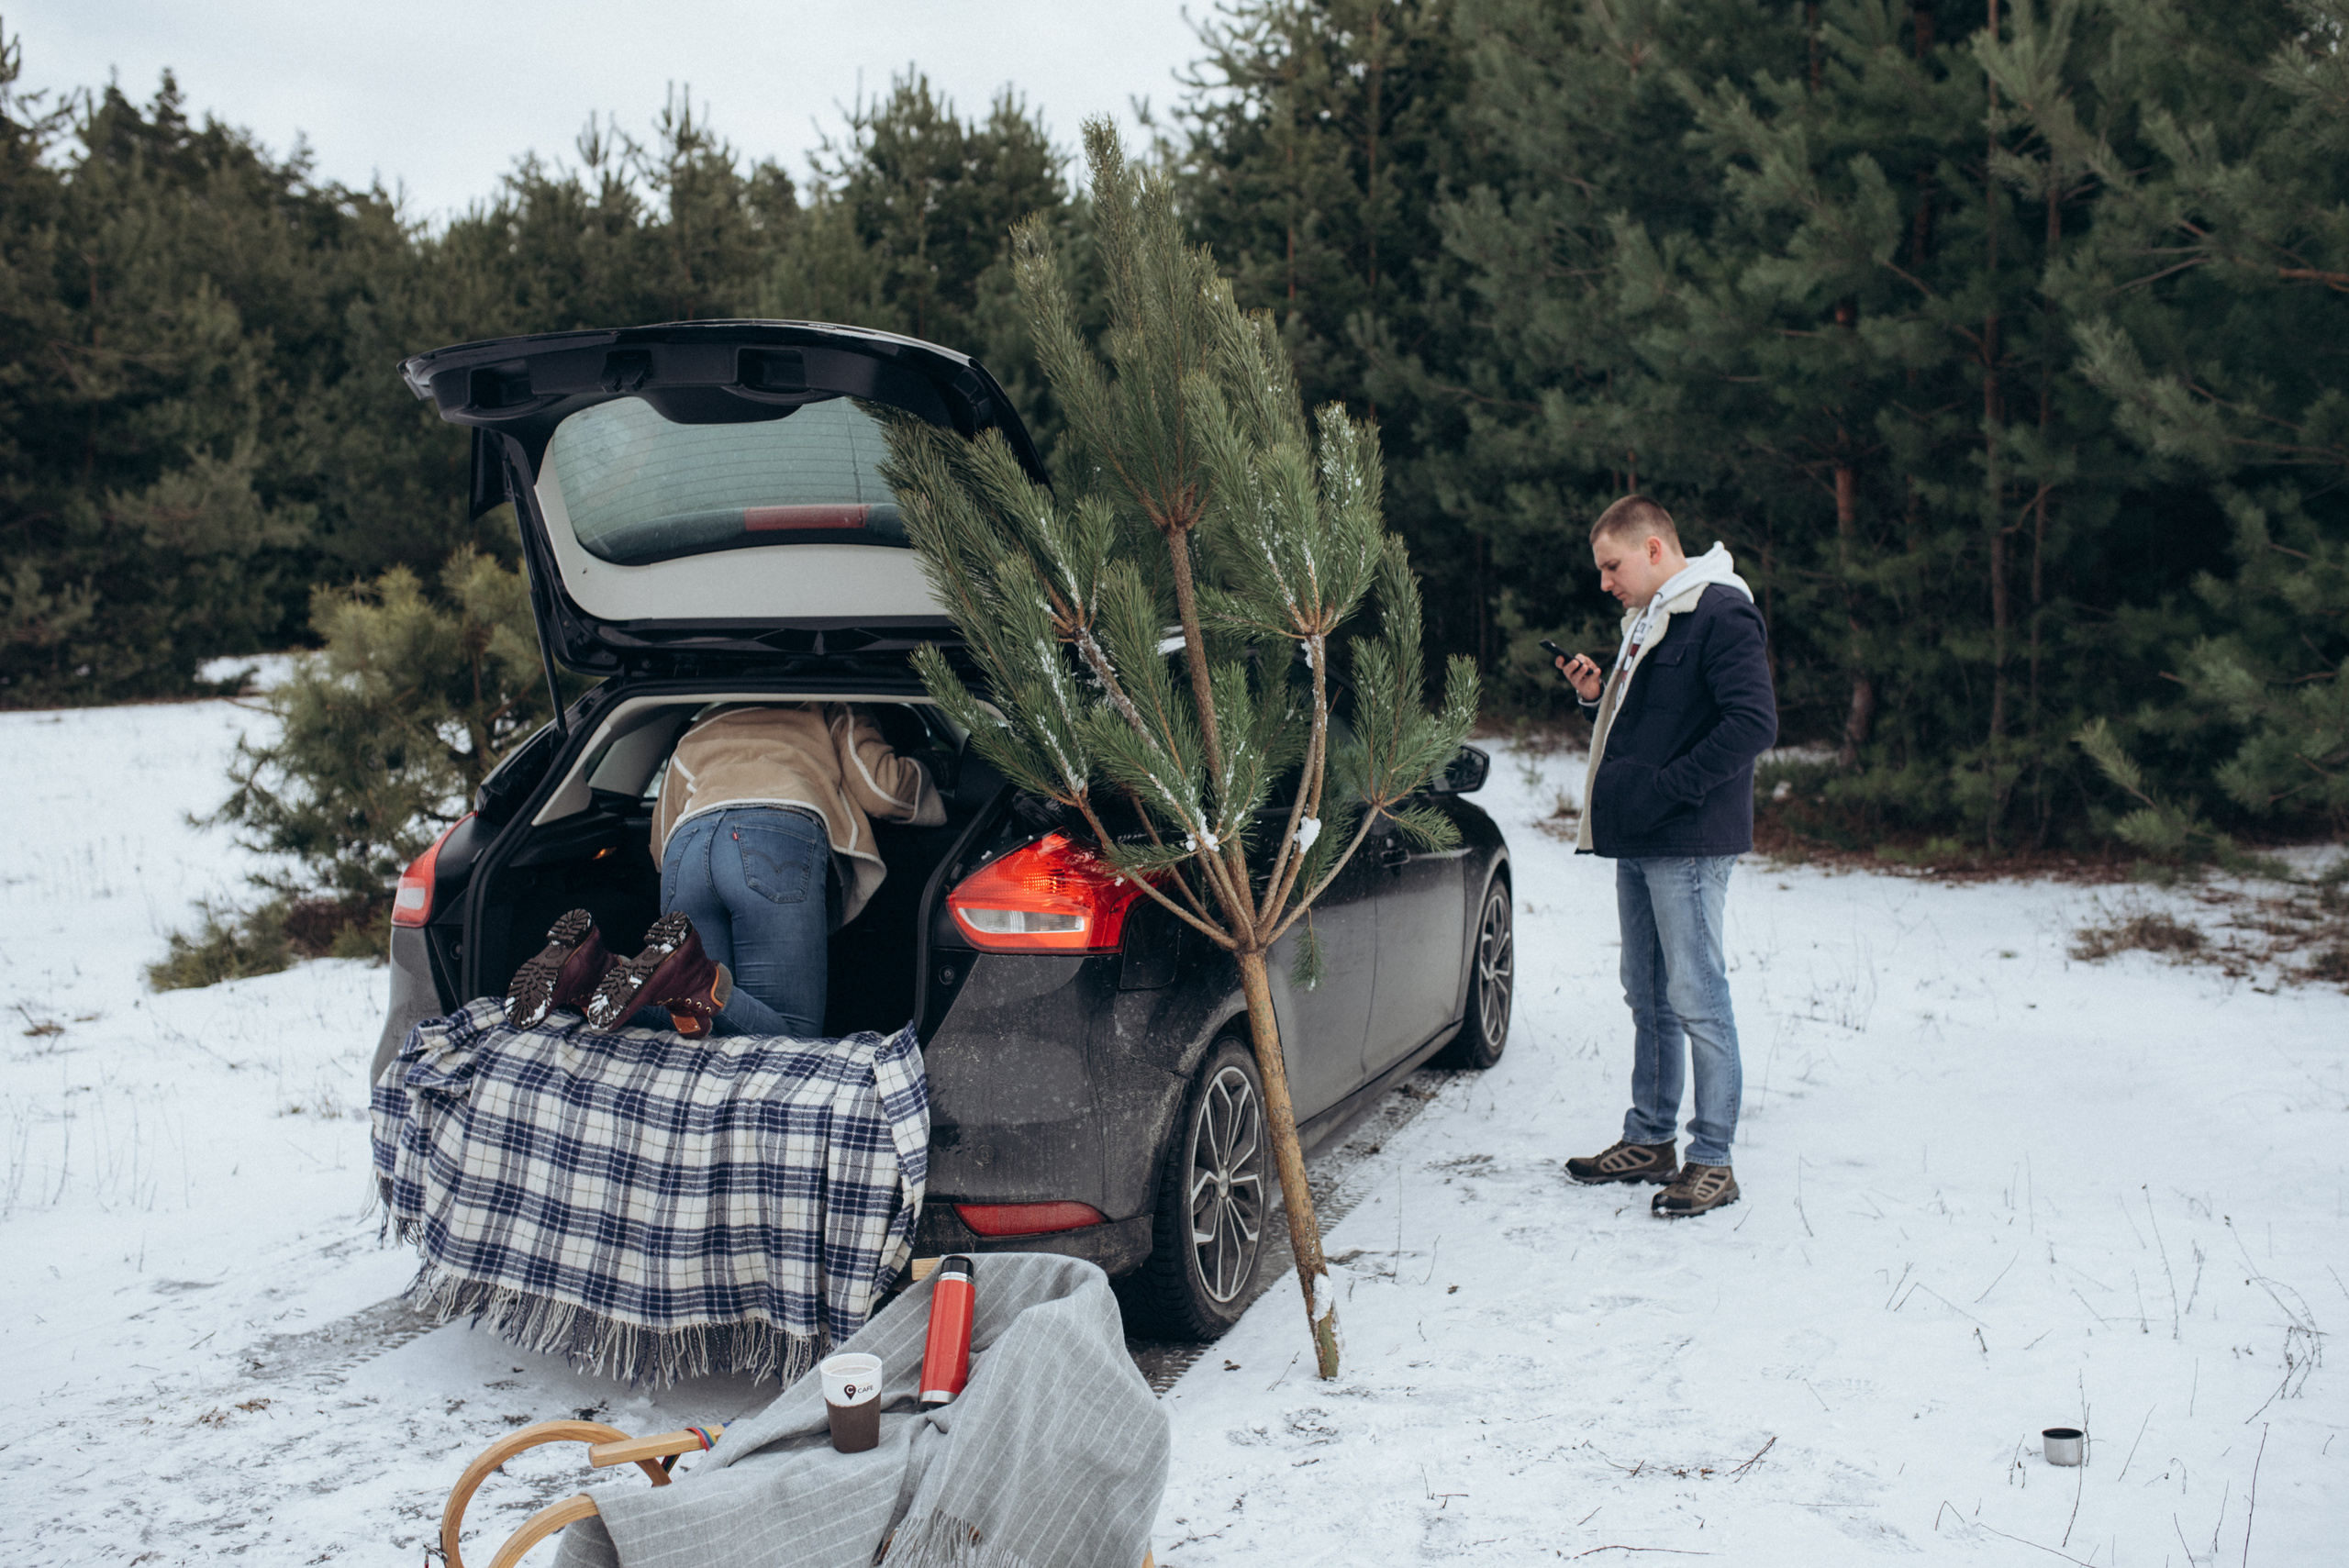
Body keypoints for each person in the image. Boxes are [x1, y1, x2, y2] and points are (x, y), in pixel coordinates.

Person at [1554, 496, 1776, 1218]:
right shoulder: (1651, 618)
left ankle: (1712, 1157)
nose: (1604, 581)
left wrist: (1668, 791)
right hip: (1641, 837)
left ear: (1654, 549)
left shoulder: (1720, 611)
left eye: (1611, 565)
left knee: (1697, 995)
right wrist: (1597, 696)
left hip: (1685, 838)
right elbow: (1658, 720)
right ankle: (1650, 1139)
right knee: (1646, 991)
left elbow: (1752, 722)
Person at [505, 703, 945, 1039]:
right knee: (791, 1037)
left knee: (697, 1030)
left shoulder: (703, 724)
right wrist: (935, 773)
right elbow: (882, 791)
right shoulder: (829, 705)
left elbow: (660, 840)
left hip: (687, 848)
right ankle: (695, 978)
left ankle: (597, 971)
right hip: (776, 835)